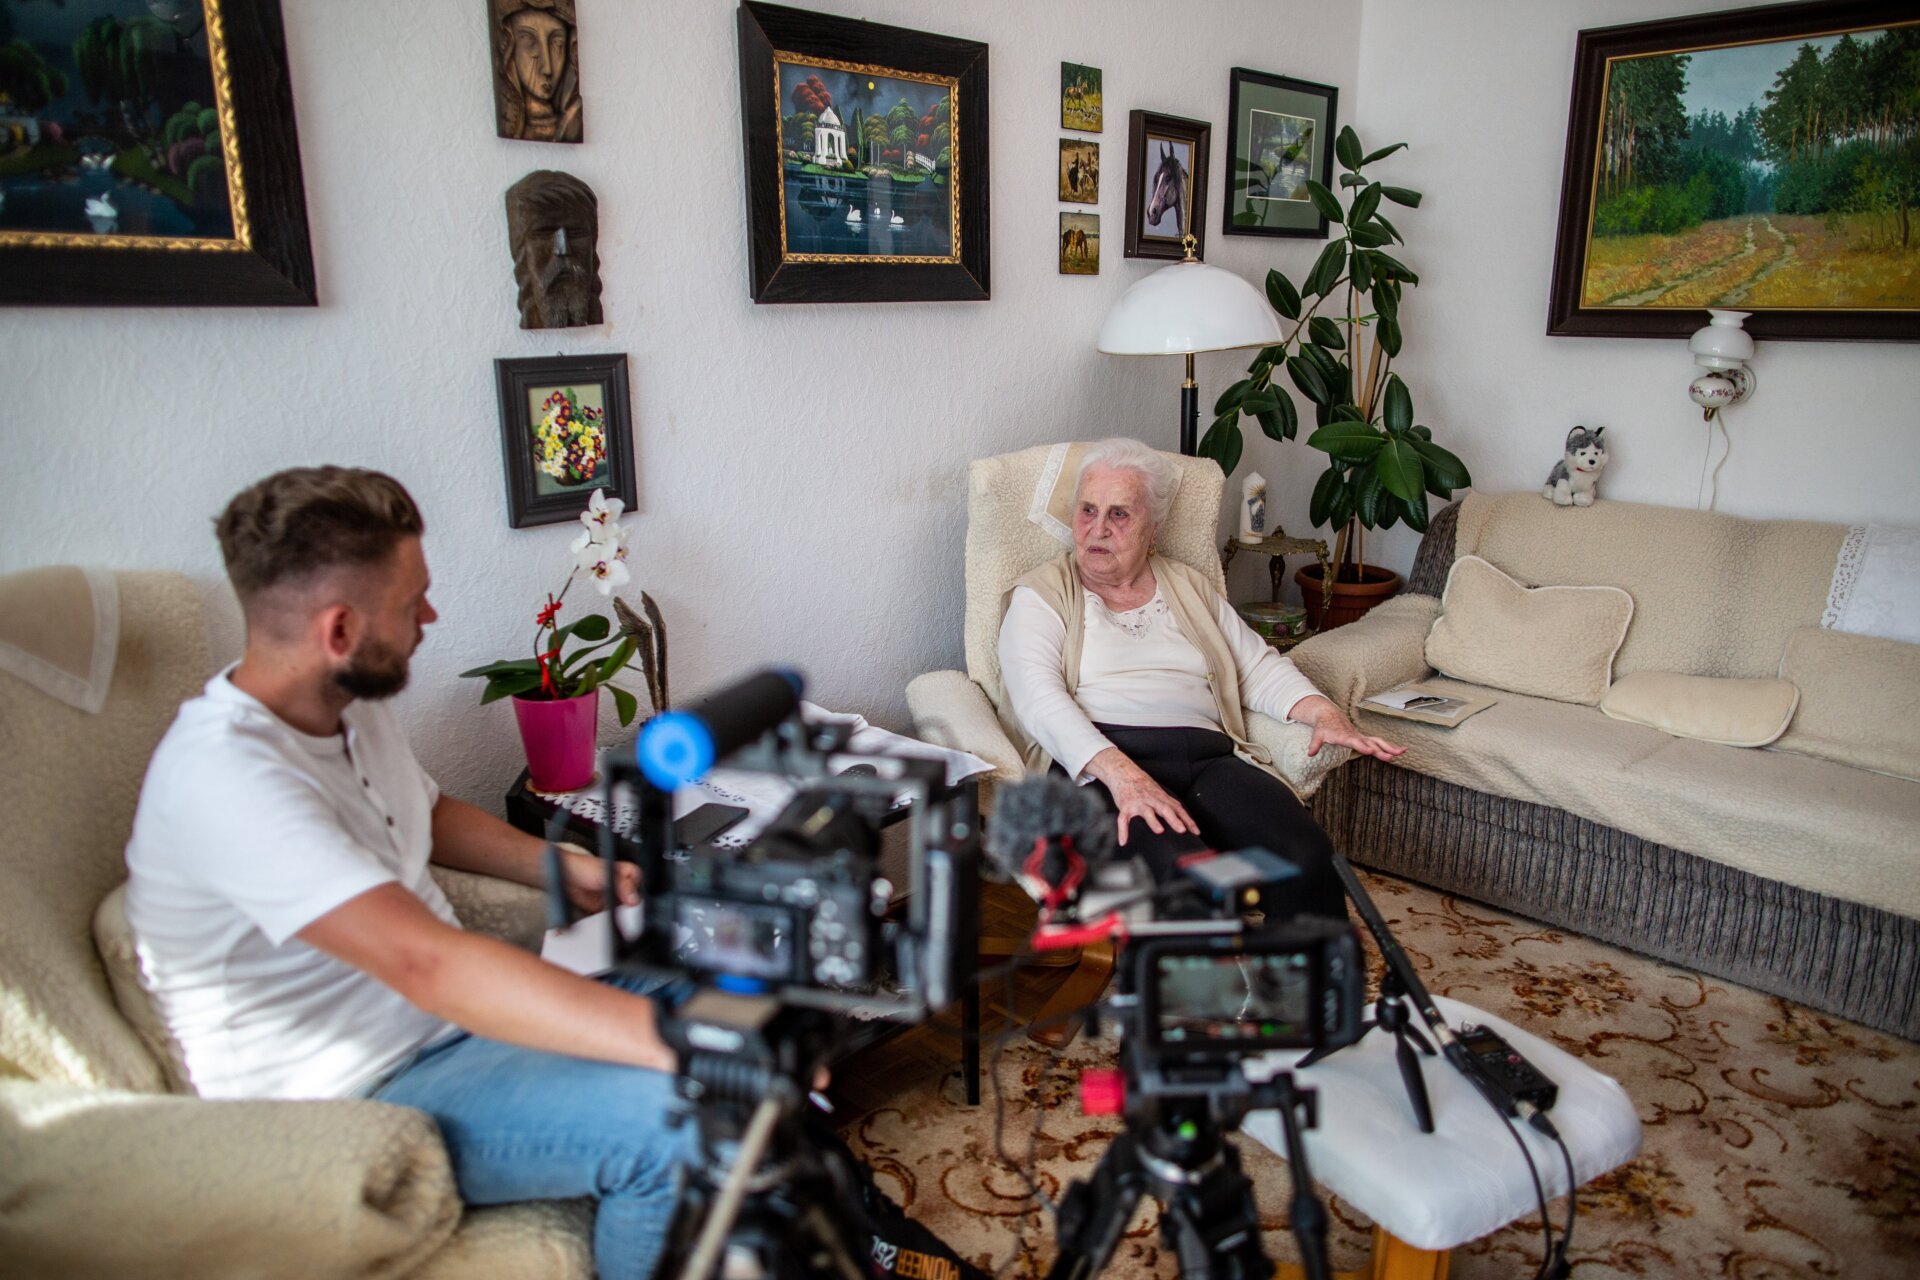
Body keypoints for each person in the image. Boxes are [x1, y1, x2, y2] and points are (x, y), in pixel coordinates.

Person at [124, 467, 688, 1280]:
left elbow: (422, 812)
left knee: (733, 988)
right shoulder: (223, 779)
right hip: (353, 1101)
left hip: (452, 1041)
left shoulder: (349, 702)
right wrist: (677, 1049)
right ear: (341, 630)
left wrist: (564, 865)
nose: (431, 615)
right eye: (412, 599)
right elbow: (426, 964)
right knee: (682, 1121)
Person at [995, 438, 1403, 921]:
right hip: (1102, 765)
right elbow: (1037, 697)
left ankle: (1303, 993)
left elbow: (1255, 666)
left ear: (1154, 530)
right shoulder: (1042, 594)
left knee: (1305, 859)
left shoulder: (1187, 585)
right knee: (1183, 879)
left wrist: (1323, 712)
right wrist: (1124, 777)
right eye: (1087, 510)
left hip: (1207, 757)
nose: (1096, 529)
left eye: (1119, 514)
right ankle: (1200, 995)